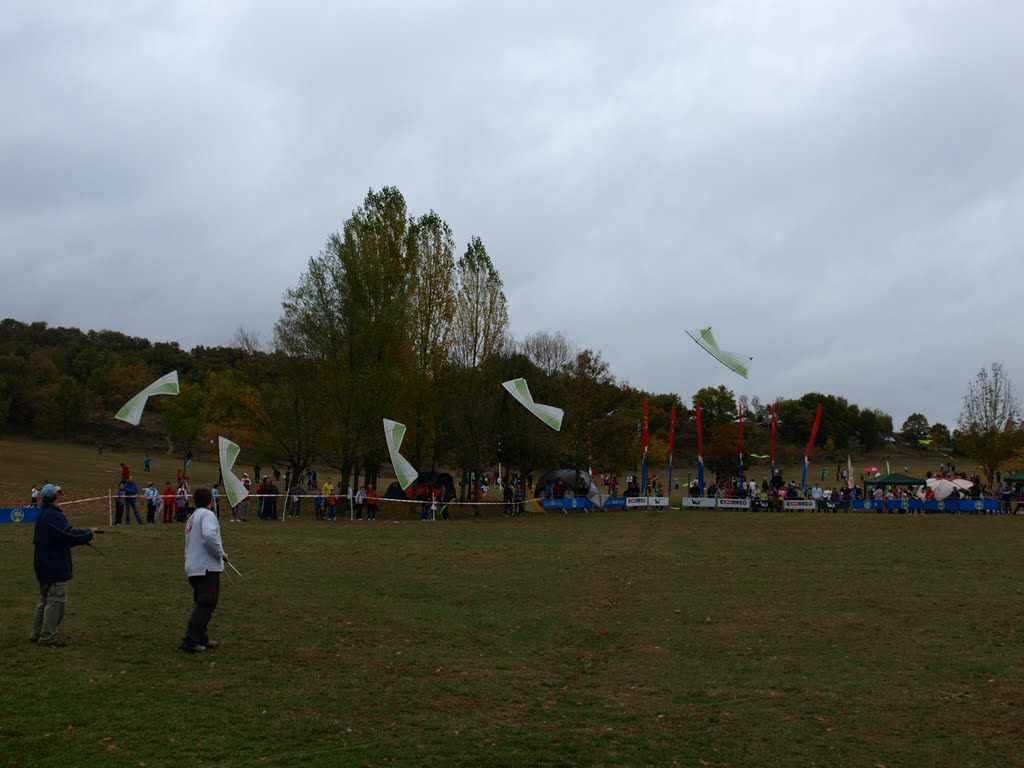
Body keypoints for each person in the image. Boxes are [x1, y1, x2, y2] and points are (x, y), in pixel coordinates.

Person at [31, 484, 98, 647]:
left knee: (45, 600)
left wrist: (84, 533)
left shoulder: (44, 514)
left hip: (44, 563)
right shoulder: (53, 516)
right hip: (53, 565)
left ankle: (38, 633)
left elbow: (63, 536)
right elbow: (69, 535)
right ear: (55, 497)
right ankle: (47, 637)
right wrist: (89, 533)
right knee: (56, 601)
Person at [180, 487, 228, 653]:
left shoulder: (192, 517)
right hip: (205, 568)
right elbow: (208, 536)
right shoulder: (207, 515)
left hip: (194, 567)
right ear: (211, 501)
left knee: (203, 603)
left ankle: (202, 638)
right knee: (206, 604)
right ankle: (190, 641)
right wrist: (221, 553)